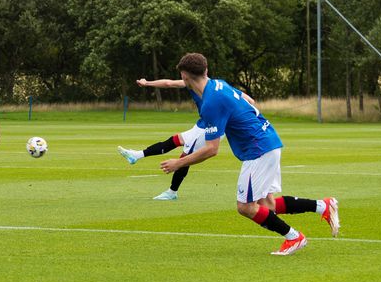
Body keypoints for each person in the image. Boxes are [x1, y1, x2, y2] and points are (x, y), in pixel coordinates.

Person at [144, 53, 339, 256]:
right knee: (267, 205)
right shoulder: (218, 84)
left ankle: (293, 237)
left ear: (184, 76)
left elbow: (212, 149)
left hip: (258, 150)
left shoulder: (211, 102)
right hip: (267, 141)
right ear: (206, 71)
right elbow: (248, 99)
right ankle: (323, 205)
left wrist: (178, 163)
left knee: (245, 207)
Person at [117, 120, 208, 200]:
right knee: (172, 141)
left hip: (206, 130)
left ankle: (172, 192)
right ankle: (136, 155)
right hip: (200, 125)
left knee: (185, 158)